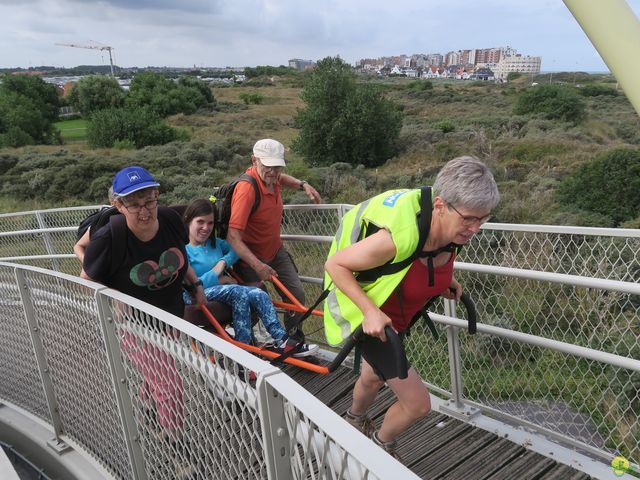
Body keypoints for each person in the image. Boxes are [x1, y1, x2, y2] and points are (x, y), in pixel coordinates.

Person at [323, 156, 500, 461]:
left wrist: (445, 281)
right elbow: (335, 265)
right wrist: (368, 311)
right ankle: (380, 446)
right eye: (469, 219)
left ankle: (353, 420)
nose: (475, 228)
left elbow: (425, 260)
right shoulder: (397, 238)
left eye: (483, 219)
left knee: (372, 376)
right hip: (374, 320)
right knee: (418, 404)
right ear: (441, 205)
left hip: (398, 316)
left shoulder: (450, 230)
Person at [82, 166, 205, 478]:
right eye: (134, 204)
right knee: (171, 385)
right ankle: (181, 452)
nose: (145, 210)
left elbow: (180, 257)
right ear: (119, 205)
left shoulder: (171, 220)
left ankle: (150, 416)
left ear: (157, 197)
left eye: (149, 200)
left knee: (158, 375)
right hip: (135, 326)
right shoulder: (110, 236)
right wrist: (114, 296)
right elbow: (85, 280)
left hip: (171, 314)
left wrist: (196, 285)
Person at [183, 198, 318, 357]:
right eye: (200, 222)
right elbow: (191, 283)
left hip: (226, 290)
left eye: (210, 223)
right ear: (188, 221)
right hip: (196, 294)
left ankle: (282, 340)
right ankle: (245, 352)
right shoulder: (184, 250)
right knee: (238, 292)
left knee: (258, 292)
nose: (206, 228)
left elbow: (235, 250)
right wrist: (220, 278)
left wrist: (223, 262)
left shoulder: (215, 243)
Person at [226, 138, 321, 343]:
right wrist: (258, 265)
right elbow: (232, 237)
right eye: (268, 166)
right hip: (250, 259)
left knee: (296, 296)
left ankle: (294, 342)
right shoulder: (247, 189)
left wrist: (303, 185)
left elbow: (282, 179)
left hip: (275, 251)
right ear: (254, 160)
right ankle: (244, 347)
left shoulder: (273, 177)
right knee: (254, 305)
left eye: (277, 166)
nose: (273, 172)